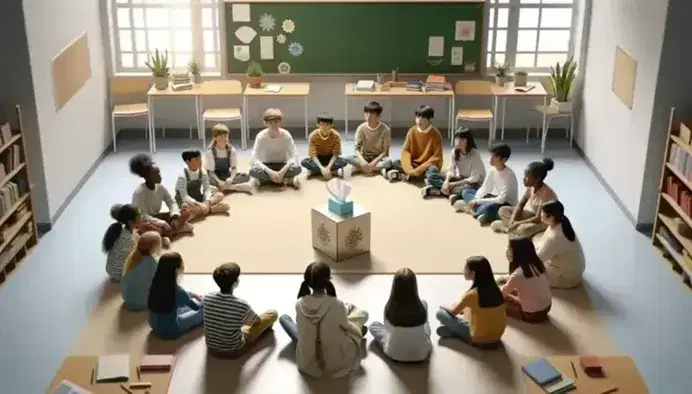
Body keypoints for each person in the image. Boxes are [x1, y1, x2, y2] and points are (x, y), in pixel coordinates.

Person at [278, 262, 368, 379]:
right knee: (363, 314)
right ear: (328, 279)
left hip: (307, 362)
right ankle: (357, 324)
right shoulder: (337, 304)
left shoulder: (299, 303)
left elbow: (301, 327)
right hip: (335, 360)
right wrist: (358, 331)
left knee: (284, 318)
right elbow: (347, 326)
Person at [204, 262, 278, 357]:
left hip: (211, 349)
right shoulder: (241, 305)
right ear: (235, 283)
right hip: (234, 350)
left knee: (236, 322)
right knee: (273, 313)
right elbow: (256, 322)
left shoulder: (207, 297)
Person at [436, 256, 506, 347]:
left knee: (440, 313)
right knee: (466, 311)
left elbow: (453, 312)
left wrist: (443, 306)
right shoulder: (496, 290)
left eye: (466, 268)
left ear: (473, 273)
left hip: (478, 339)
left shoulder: (472, 295)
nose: (463, 271)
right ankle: (452, 331)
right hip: (497, 337)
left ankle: (454, 333)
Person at [369, 268, 431, 362]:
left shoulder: (390, 308)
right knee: (424, 304)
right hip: (421, 353)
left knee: (373, 326)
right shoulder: (420, 308)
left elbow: (387, 329)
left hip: (394, 353)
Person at [130, 153, 193, 244]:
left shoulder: (160, 188)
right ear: (147, 177)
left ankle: (167, 233)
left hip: (157, 217)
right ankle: (170, 232)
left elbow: (171, 202)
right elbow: (143, 216)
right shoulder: (140, 193)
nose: (160, 176)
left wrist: (174, 215)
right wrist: (162, 223)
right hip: (145, 222)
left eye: (159, 173)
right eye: (156, 174)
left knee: (186, 211)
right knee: (150, 230)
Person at [454, 143, 518, 225]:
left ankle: (469, 207)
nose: (491, 159)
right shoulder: (492, 170)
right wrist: (476, 199)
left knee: (487, 209)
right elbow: (485, 188)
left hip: (506, 204)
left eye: (495, 157)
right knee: (465, 191)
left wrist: (478, 201)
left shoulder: (509, 176)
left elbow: (501, 199)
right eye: (491, 155)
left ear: (503, 160)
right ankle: (476, 210)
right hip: (496, 199)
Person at [492, 158, 557, 237]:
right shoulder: (531, 187)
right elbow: (521, 204)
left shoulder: (547, 194)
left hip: (542, 221)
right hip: (533, 215)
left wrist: (518, 223)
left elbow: (537, 218)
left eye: (527, 177)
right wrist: (513, 218)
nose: (523, 179)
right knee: (502, 210)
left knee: (523, 231)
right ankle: (512, 229)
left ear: (537, 179)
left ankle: (509, 228)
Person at [147, 252, 205, 339]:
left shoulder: (155, 284)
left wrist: (193, 295)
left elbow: (182, 297)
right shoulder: (179, 292)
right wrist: (205, 301)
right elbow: (196, 307)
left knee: (181, 307)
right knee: (203, 311)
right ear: (176, 269)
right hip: (171, 329)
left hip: (153, 324)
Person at [422, 127, 485, 202]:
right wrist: (446, 182)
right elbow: (451, 169)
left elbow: (474, 178)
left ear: (468, 141)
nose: (458, 142)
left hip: (474, 183)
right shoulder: (454, 152)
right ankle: (451, 193)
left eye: (461, 139)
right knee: (431, 176)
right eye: (456, 139)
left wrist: (454, 184)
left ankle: (441, 191)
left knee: (466, 189)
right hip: (461, 179)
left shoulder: (474, 154)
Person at [499, 237, 552, 323]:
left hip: (531, 314)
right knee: (518, 288)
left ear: (518, 253)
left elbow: (502, 293)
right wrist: (505, 279)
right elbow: (520, 280)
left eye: (509, 249)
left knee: (497, 299)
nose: (507, 252)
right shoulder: (538, 265)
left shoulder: (518, 274)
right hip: (547, 308)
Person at [386, 105, 443, 183]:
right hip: (414, 163)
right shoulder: (412, 131)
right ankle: (415, 177)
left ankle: (409, 176)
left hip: (427, 165)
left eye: (423, 118)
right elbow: (406, 151)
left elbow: (436, 157)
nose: (419, 120)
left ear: (430, 120)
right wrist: (409, 169)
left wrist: (419, 170)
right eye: (417, 117)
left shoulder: (436, 134)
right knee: (396, 163)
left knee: (433, 171)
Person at [249, 108, 302, 188]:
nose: (274, 125)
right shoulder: (261, 136)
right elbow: (254, 159)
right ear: (266, 123)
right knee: (253, 170)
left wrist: (282, 172)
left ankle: (267, 180)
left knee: (297, 168)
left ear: (280, 122)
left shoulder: (286, 135)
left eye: (276, 122)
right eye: (270, 122)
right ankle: (286, 180)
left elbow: (295, 156)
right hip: (266, 165)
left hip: (283, 165)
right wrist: (270, 172)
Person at [537, 201, 585, 289]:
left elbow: (538, 259)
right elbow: (542, 245)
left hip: (567, 278)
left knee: (529, 271)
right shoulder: (561, 223)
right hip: (572, 270)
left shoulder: (555, 237)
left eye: (542, 212)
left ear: (551, 216)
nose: (540, 214)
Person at [174, 149, 230, 221]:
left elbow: (206, 189)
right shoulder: (182, 176)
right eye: (196, 160)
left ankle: (201, 210)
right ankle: (210, 209)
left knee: (219, 195)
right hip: (185, 200)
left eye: (200, 159)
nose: (200, 162)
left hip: (197, 196)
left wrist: (206, 202)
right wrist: (199, 204)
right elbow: (184, 196)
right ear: (187, 162)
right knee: (185, 207)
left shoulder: (202, 172)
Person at [345, 101, 393, 176]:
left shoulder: (385, 130)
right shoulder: (361, 128)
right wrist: (362, 161)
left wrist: (373, 163)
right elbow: (356, 149)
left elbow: (385, 152)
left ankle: (361, 168)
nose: (368, 116)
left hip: (378, 158)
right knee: (348, 158)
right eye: (366, 113)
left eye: (372, 114)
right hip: (364, 156)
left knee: (389, 161)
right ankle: (376, 169)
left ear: (378, 116)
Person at [203, 124, 252, 194]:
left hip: (226, 174)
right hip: (214, 176)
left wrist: (231, 179)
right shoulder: (210, 151)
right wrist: (219, 182)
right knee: (204, 179)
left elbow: (234, 168)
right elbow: (211, 172)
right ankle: (234, 187)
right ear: (215, 138)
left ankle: (219, 188)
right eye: (221, 137)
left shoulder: (231, 150)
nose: (224, 139)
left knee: (246, 176)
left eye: (226, 136)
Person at [121, 231, 162, 311]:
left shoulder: (131, 260)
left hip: (127, 300)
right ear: (154, 248)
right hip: (143, 304)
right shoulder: (153, 264)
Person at [301, 114, 348, 179]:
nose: (324, 127)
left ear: (331, 125)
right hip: (318, 157)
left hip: (330, 157)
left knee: (344, 161)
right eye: (321, 124)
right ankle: (326, 170)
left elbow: (335, 154)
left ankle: (319, 170)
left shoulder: (336, 135)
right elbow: (313, 155)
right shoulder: (313, 136)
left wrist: (328, 167)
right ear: (317, 125)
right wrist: (321, 168)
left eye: (327, 125)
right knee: (304, 162)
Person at [102, 204, 140, 282]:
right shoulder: (129, 240)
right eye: (139, 217)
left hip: (110, 268)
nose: (141, 218)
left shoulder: (119, 229)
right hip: (119, 274)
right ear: (130, 222)